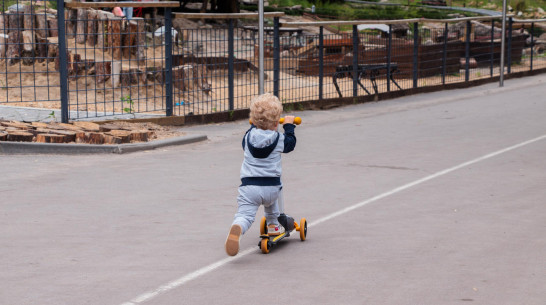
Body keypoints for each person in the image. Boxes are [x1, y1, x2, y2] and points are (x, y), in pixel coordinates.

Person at [225, 93, 297, 256]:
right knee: (272, 206)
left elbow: (248, 140)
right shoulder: (278, 138)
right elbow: (290, 144)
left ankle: (239, 226)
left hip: (249, 188)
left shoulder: (248, 137)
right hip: (271, 187)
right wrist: (289, 126)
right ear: (275, 123)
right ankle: (273, 225)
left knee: (245, 214)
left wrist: (255, 125)